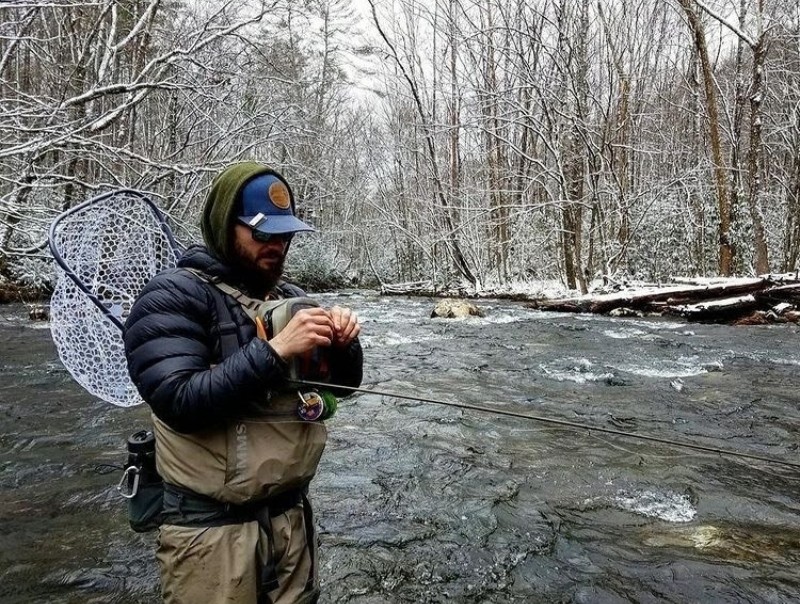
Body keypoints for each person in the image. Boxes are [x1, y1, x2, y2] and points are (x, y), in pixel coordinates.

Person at [123, 161, 363, 603]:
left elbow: (341, 391)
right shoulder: (171, 296)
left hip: (291, 526)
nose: (277, 245)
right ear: (224, 226)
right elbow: (178, 401)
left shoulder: (290, 299)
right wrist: (273, 352)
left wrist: (345, 346)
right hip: (211, 538)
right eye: (262, 233)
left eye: (285, 235)